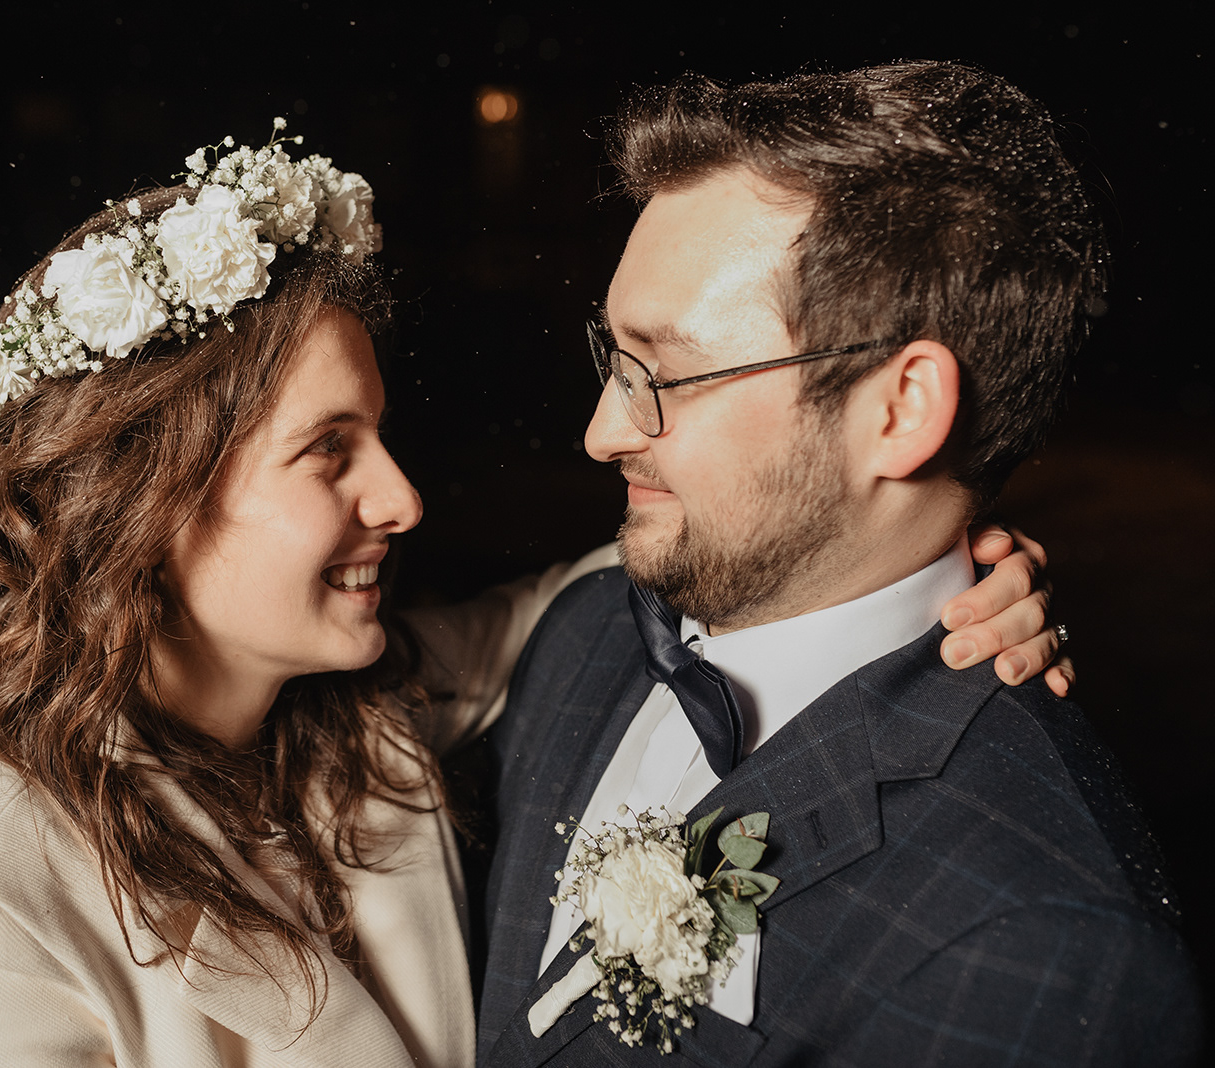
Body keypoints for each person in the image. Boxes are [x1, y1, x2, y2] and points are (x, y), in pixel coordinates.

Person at [0, 122, 1066, 1067]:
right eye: (329, 451)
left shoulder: (372, 710)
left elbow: (628, 583)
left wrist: (924, 544)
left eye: (379, 436)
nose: (400, 498)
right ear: (143, 500)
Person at [476, 63, 1203, 1066]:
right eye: (616, 356)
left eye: (669, 372)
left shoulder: (1038, 953)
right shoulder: (584, 633)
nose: (603, 431)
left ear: (901, 411)